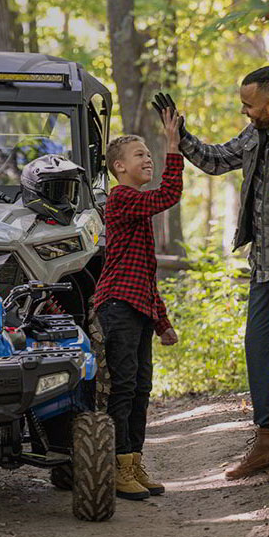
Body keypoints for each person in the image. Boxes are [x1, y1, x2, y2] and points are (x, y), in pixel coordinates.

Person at [153, 65, 269, 480]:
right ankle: (268, 441)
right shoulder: (258, 134)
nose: (244, 112)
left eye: (248, 105)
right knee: (260, 353)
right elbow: (217, 160)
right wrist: (180, 135)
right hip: (264, 266)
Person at [93, 109, 182, 501]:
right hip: (117, 307)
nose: (148, 159)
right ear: (119, 167)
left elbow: (144, 276)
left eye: (150, 153)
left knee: (141, 387)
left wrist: (163, 322)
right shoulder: (122, 199)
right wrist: (173, 147)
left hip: (138, 307)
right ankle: (115, 465)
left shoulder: (136, 207)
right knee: (123, 387)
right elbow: (170, 195)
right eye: (140, 154)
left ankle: (132, 462)